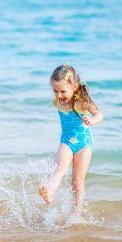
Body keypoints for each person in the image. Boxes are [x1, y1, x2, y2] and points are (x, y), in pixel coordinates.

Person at [38, 65, 103, 212]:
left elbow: (99, 115)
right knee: (60, 169)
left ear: (74, 87)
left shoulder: (82, 102)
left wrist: (92, 121)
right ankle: (49, 191)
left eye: (63, 91)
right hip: (66, 141)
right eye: (55, 91)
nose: (59, 95)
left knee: (77, 182)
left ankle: (76, 213)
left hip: (84, 144)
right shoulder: (58, 102)